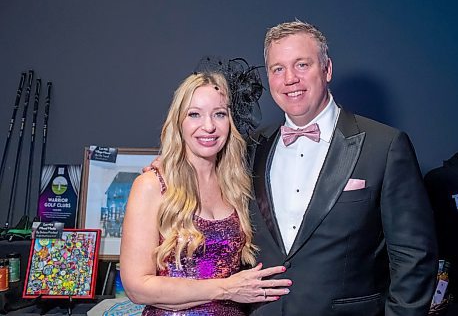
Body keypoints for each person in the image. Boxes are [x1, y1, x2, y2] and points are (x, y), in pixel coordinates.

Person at [248, 20, 438, 316]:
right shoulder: (251, 148)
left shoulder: (385, 146)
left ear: (327, 70)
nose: (290, 79)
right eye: (278, 69)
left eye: (302, 65)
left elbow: (414, 257)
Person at [120, 72, 291, 316]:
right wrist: (225, 288)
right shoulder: (152, 185)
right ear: (179, 122)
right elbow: (137, 288)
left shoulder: (239, 185)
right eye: (194, 114)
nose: (208, 126)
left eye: (219, 114)